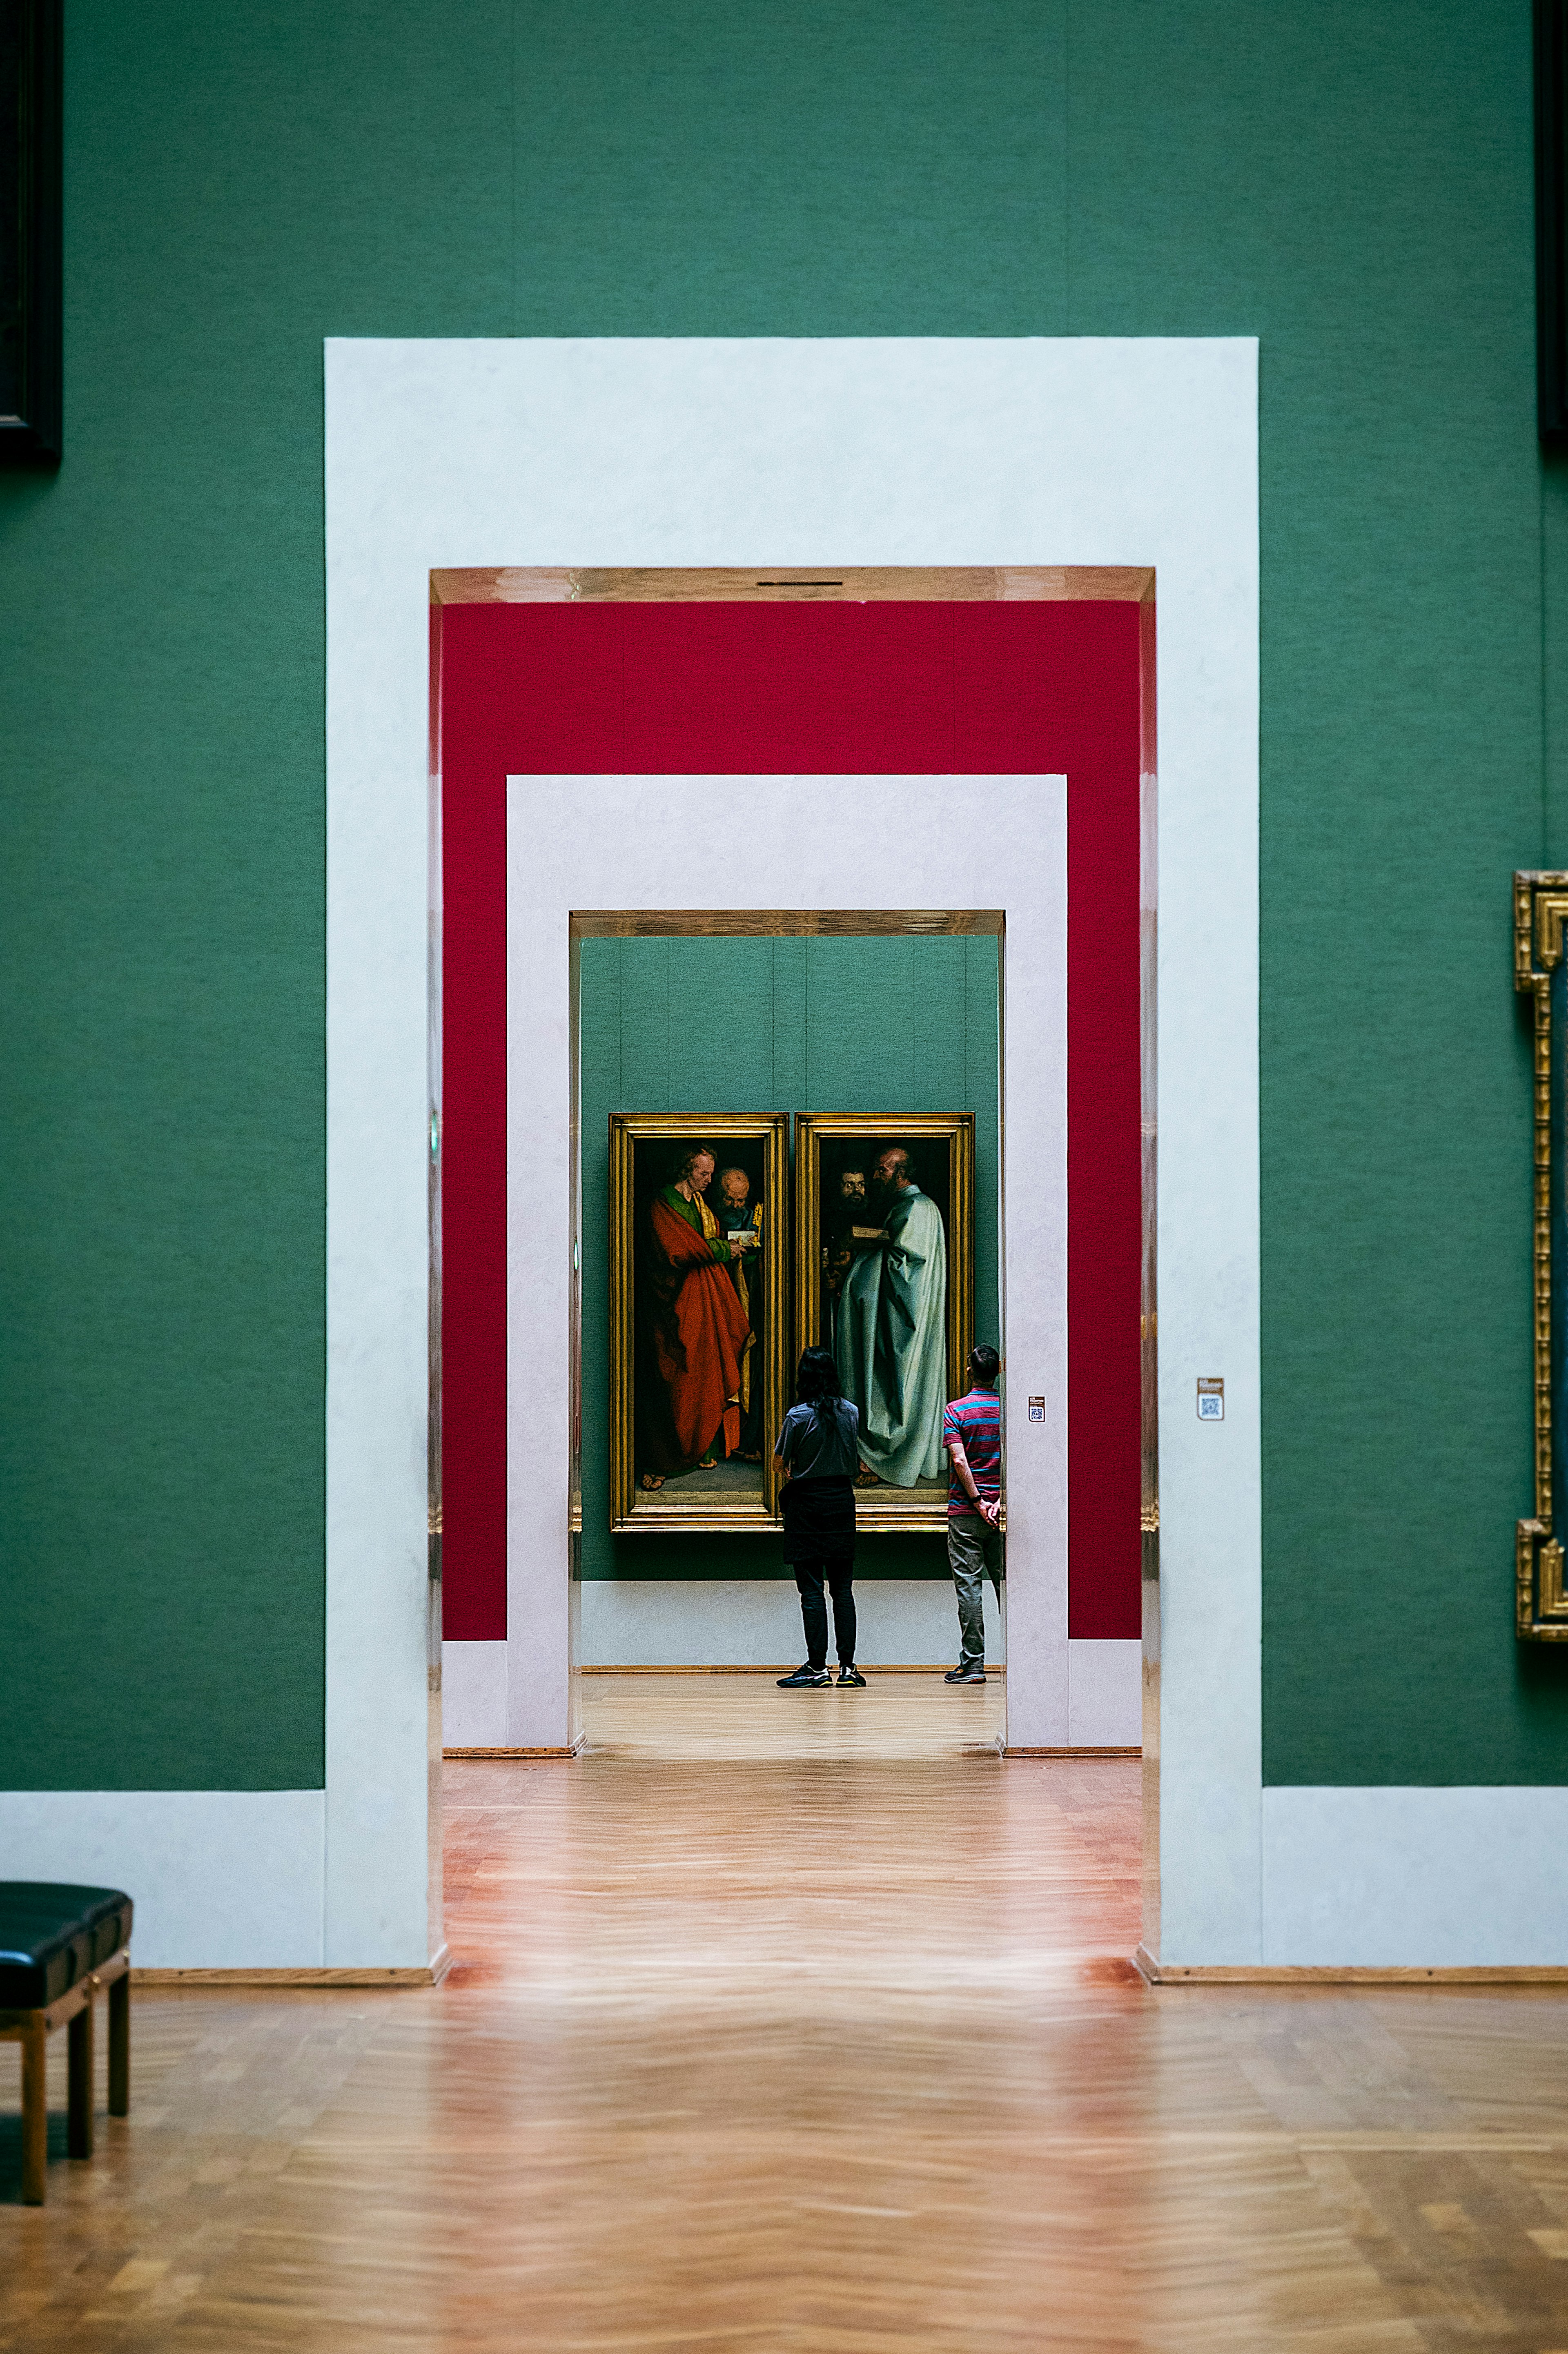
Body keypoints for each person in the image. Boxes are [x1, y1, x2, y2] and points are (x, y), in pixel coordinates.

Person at [636, 1145, 758, 1490]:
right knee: (677, 1378)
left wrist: (741, 1248)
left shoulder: (700, 1206)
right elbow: (676, 1250)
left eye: (710, 1173)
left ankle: (702, 1447)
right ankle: (664, 1461)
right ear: (685, 1169)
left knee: (706, 1372)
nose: (708, 1179)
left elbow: (714, 1239)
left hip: (703, 1304)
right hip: (671, 1307)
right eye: (703, 1173)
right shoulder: (662, 1204)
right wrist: (723, 1249)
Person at [833, 1145, 947, 1488]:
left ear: (900, 1173)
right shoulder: (907, 1206)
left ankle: (886, 1453)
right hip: (898, 1311)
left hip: (906, 1317)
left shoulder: (917, 1208)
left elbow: (906, 1270)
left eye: (882, 1170)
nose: (875, 1176)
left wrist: (868, 1255)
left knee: (896, 1380)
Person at [774, 1346, 866, 1688]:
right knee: (843, 1590)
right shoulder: (852, 1412)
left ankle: (817, 1667)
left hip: (807, 1506)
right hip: (841, 1502)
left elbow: (778, 1462)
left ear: (805, 1379)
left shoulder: (797, 1416)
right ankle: (848, 1668)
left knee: (811, 1590)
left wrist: (792, 1469)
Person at [942, 1344, 1003, 1683]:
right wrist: (999, 1500)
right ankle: (1022, 1659)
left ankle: (974, 1664)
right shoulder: (1006, 1412)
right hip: (1003, 1513)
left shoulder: (956, 1411)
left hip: (966, 1512)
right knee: (1008, 1587)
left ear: (970, 1370)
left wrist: (978, 1500)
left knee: (969, 1587)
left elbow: (960, 1460)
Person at [714, 1165, 765, 1459]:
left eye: (741, 1201)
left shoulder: (757, 1217)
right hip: (719, 1298)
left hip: (749, 1299)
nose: (736, 1207)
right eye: (729, 1201)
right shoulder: (710, 1218)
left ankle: (747, 1437)